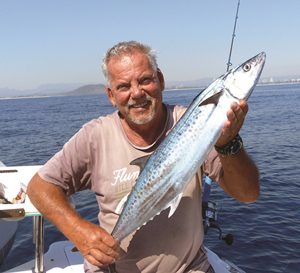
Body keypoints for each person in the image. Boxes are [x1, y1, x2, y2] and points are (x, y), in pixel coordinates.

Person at [27, 41, 259, 273]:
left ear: (161, 80)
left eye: (145, 80)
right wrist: (78, 231)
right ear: (111, 95)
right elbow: (39, 188)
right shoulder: (95, 137)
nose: (136, 93)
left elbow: (248, 194)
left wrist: (228, 144)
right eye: (123, 86)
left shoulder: (195, 124)